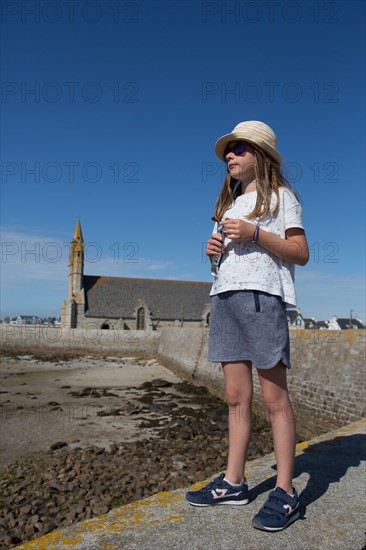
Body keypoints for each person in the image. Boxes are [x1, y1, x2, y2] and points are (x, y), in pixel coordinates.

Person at [185, 120, 309, 532]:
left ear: (262, 156)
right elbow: (222, 263)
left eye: (239, 149)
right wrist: (211, 251)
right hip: (223, 300)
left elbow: (300, 252)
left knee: (275, 397)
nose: (230, 156)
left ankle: (286, 490)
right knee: (236, 397)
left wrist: (256, 232)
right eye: (228, 151)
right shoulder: (228, 205)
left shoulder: (283, 198)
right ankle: (234, 482)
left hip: (262, 299)